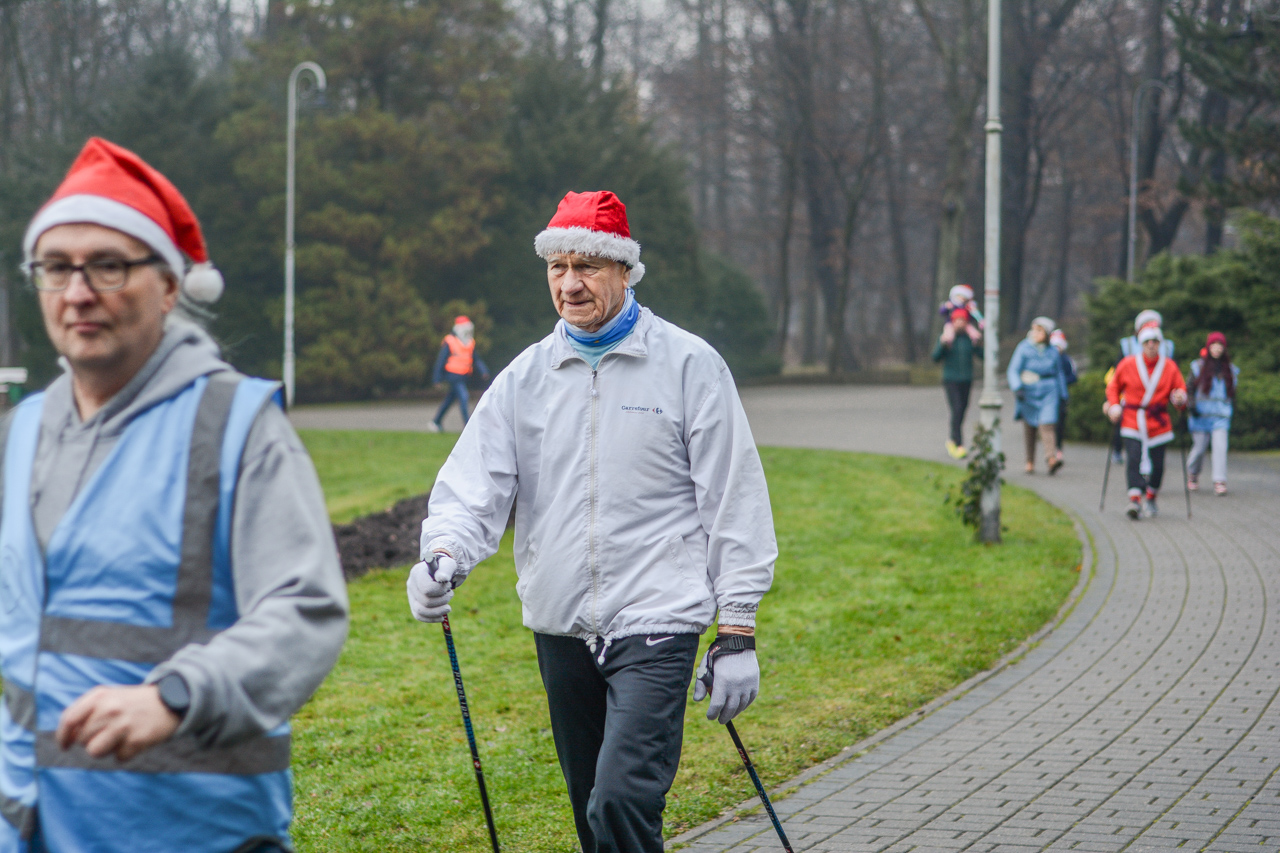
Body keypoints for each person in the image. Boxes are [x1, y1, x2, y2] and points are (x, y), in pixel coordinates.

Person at [406, 190, 777, 853]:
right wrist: (443, 554)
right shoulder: (526, 378)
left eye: (588, 266)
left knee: (620, 799)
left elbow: (734, 495)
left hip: (658, 617)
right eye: (558, 267)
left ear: (625, 271)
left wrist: (738, 628)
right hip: (562, 624)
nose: (570, 284)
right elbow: (473, 486)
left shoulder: (688, 365)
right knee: (590, 812)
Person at [5, 137, 349, 851]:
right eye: (56, 267)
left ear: (169, 285)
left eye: (107, 264)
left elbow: (306, 611)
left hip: (191, 829)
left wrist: (175, 696)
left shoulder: (235, 424)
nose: (77, 292)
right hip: (31, 827)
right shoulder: (25, 427)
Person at [1105, 319, 1188, 519]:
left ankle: (1151, 496)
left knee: (1158, 465)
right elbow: (1113, 386)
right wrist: (1114, 405)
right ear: (1141, 344)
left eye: (1155, 342)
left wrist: (1179, 398)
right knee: (1133, 459)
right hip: (1132, 419)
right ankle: (1134, 500)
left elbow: (1180, 390)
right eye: (1147, 342)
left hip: (1158, 422)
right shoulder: (1127, 364)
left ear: (1160, 344)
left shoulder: (1169, 366)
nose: (1151, 345)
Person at [1111, 309, 1175, 465]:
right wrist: (1113, 402)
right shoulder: (1127, 345)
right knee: (1124, 425)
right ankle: (1118, 450)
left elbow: (1173, 376)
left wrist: (1177, 396)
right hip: (1131, 396)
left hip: (1156, 400)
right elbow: (1116, 376)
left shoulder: (1167, 348)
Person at [1007, 316, 1068, 475]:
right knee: (1030, 426)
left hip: (1049, 390)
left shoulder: (1052, 351)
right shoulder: (1024, 348)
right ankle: (1030, 460)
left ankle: (1051, 458)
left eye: (1040, 330)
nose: (1036, 333)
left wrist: (1063, 394)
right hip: (1029, 390)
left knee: (1047, 423)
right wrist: (1017, 387)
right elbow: (1013, 370)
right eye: (1034, 330)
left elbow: (1059, 373)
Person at [1187, 331, 1239, 496]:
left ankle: (1219, 480)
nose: (1217, 348)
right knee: (1199, 449)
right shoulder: (1198, 367)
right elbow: (1189, 388)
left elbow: (1232, 394)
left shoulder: (1230, 370)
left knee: (1220, 449)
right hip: (1200, 416)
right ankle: (1193, 473)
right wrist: (1191, 406)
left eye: (1220, 345)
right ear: (1208, 347)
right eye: (1214, 345)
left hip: (1221, 417)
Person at [931, 308, 981, 459]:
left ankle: (953, 439)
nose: (960, 323)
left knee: (962, 409)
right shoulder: (947, 338)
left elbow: (982, 355)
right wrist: (943, 345)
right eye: (957, 320)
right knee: (957, 409)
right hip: (951, 379)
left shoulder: (970, 338)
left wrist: (978, 343)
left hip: (966, 379)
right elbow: (935, 357)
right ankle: (958, 442)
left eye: (962, 320)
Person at [429, 315, 491, 432]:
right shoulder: (450, 341)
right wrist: (436, 379)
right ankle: (468, 426)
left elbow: (476, 359)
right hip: (453, 376)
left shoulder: (470, 342)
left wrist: (483, 371)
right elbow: (440, 361)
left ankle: (436, 422)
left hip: (463, 376)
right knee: (464, 397)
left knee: (449, 400)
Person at [1049, 328, 1078, 468]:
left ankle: (1058, 449)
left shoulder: (1067, 360)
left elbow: (1073, 377)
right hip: (1049, 396)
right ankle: (1051, 451)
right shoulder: (1048, 359)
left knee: (1060, 424)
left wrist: (1062, 382)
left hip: (1061, 397)